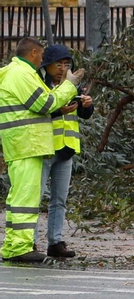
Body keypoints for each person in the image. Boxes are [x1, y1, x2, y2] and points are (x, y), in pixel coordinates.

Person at [0, 38, 84, 264]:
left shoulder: (16, 73)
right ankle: (20, 247)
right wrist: (70, 85)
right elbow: (44, 104)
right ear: (34, 53)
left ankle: (15, 245)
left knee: (21, 199)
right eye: (42, 55)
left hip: (24, 144)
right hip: (27, 144)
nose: (43, 59)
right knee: (26, 199)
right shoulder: (22, 74)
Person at [41, 44, 93, 260]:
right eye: (58, 64)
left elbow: (85, 115)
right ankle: (28, 241)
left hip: (66, 150)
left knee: (59, 199)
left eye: (66, 64)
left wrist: (86, 105)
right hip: (44, 148)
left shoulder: (72, 86)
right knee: (34, 199)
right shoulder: (39, 85)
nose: (63, 69)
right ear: (48, 65)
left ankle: (55, 242)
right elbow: (39, 111)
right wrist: (58, 111)